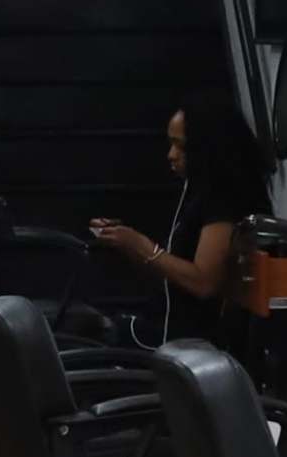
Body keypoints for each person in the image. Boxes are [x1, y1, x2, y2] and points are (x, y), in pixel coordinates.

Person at [92, 91, 271, 345]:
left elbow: (204, 282)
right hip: (167, 325)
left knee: (87, 331)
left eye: (181, 146)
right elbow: (172, 278)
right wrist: (128, 245)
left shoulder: (225, 200)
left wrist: (143, 246)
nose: (171, 155)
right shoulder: (198, 194)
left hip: (188, 345)